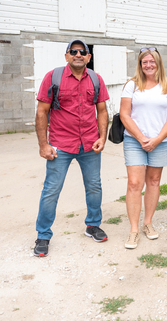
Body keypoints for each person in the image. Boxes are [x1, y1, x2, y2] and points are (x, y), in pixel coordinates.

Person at [34, 39, 110, 257]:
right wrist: (43, 144)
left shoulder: (96, 79)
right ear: (66, 56)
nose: (78, 54)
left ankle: (93, 225)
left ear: (88, 57)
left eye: (82, 52)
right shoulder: (53, 77)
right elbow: (42, 112)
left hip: (89, 143)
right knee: (51, 190)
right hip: (61, 145)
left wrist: (102, 137)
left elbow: (102, 110)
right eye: (73, 51)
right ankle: (43, 235)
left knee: (94, 186)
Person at [120, 47, 167, 249]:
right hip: (135, 140)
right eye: (145, 62)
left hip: (160, 142)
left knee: (153, 181)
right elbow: (125, 115)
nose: (148, 65)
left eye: (152, 61)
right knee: (135, 183)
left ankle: (148, 223)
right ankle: (134, 229)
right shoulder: (131, 85)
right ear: (140, 64)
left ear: (158, 63)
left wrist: (157, 139)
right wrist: (142, 138)